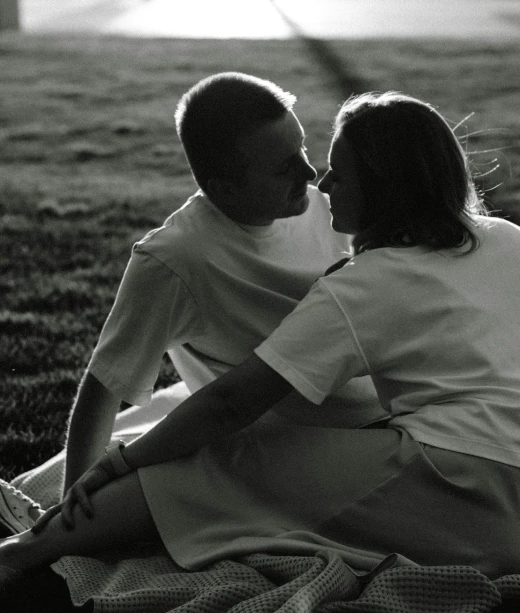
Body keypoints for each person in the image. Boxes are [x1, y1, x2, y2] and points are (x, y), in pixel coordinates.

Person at [2, 89, 520, 592]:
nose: (321, 178)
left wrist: (122, 462)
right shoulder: (505, 236)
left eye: (339, 170)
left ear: (384, 188)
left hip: (460, 482)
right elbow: (112, 385)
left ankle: (23, 553)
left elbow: (230, 403)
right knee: (211, 439)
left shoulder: (363, 281)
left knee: (217, 466)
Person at [4, 72, 385, 531]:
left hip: (393, 415)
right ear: (223, 189)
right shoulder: (176, 260)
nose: (311, 175)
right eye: (284, 166)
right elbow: (105, 384)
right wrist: (70, 510)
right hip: (292, 445)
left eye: (303, 148)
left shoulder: (329, 205)